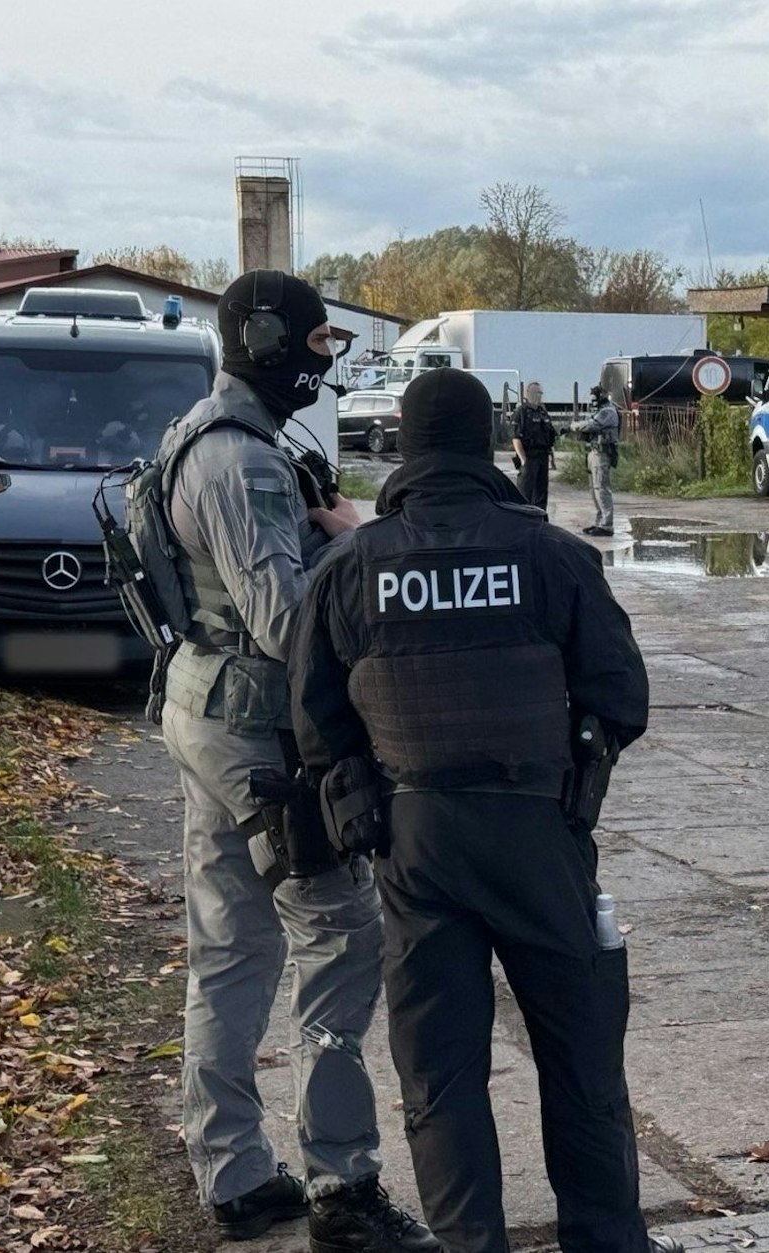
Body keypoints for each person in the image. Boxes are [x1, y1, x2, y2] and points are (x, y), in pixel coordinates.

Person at [287, 368, 681, 1253]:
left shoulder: (350, 566)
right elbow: (620, 694)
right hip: (538, 832)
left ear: (405, 445)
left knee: (442, 1078)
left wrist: (365, 815)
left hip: (416, 841)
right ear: (489, 439)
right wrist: (580, 785)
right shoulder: (552, 554)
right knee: (582, 1064)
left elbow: (315, 721)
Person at [158, 269, 438, 1253]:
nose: (323, 367)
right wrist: (352, 546)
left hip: (210, 712)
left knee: (232, 944)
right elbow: (286, 622)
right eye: (319, 348)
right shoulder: (242, 464)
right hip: (257, 733)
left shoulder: (204, 435)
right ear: (270, 339)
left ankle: (233, 1171)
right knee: (340, 934)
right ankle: (341, 1181)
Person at [570, 384, 619, 536]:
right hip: (593, 452)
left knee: (601, 488)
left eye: (596, 397)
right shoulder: (598, 411)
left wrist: (575, 425)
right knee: (593, 489)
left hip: (602, 453)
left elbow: (592, 425)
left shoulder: (608, 411)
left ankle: (606, 524)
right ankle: (600, 521)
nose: (593, 400)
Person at [511, 381, 557, 509]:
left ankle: (540, 522)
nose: (538, 396)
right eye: (536, 393)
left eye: (540, 393)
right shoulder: (522, 412)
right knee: (525, 494)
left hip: (543, 457)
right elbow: (516, 438)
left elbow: (549, 436)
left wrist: (552, 459)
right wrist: (523, 460)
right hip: (529, 457)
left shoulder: (543, 412)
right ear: (528, 393)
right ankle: (523, 524)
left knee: (541, 494)